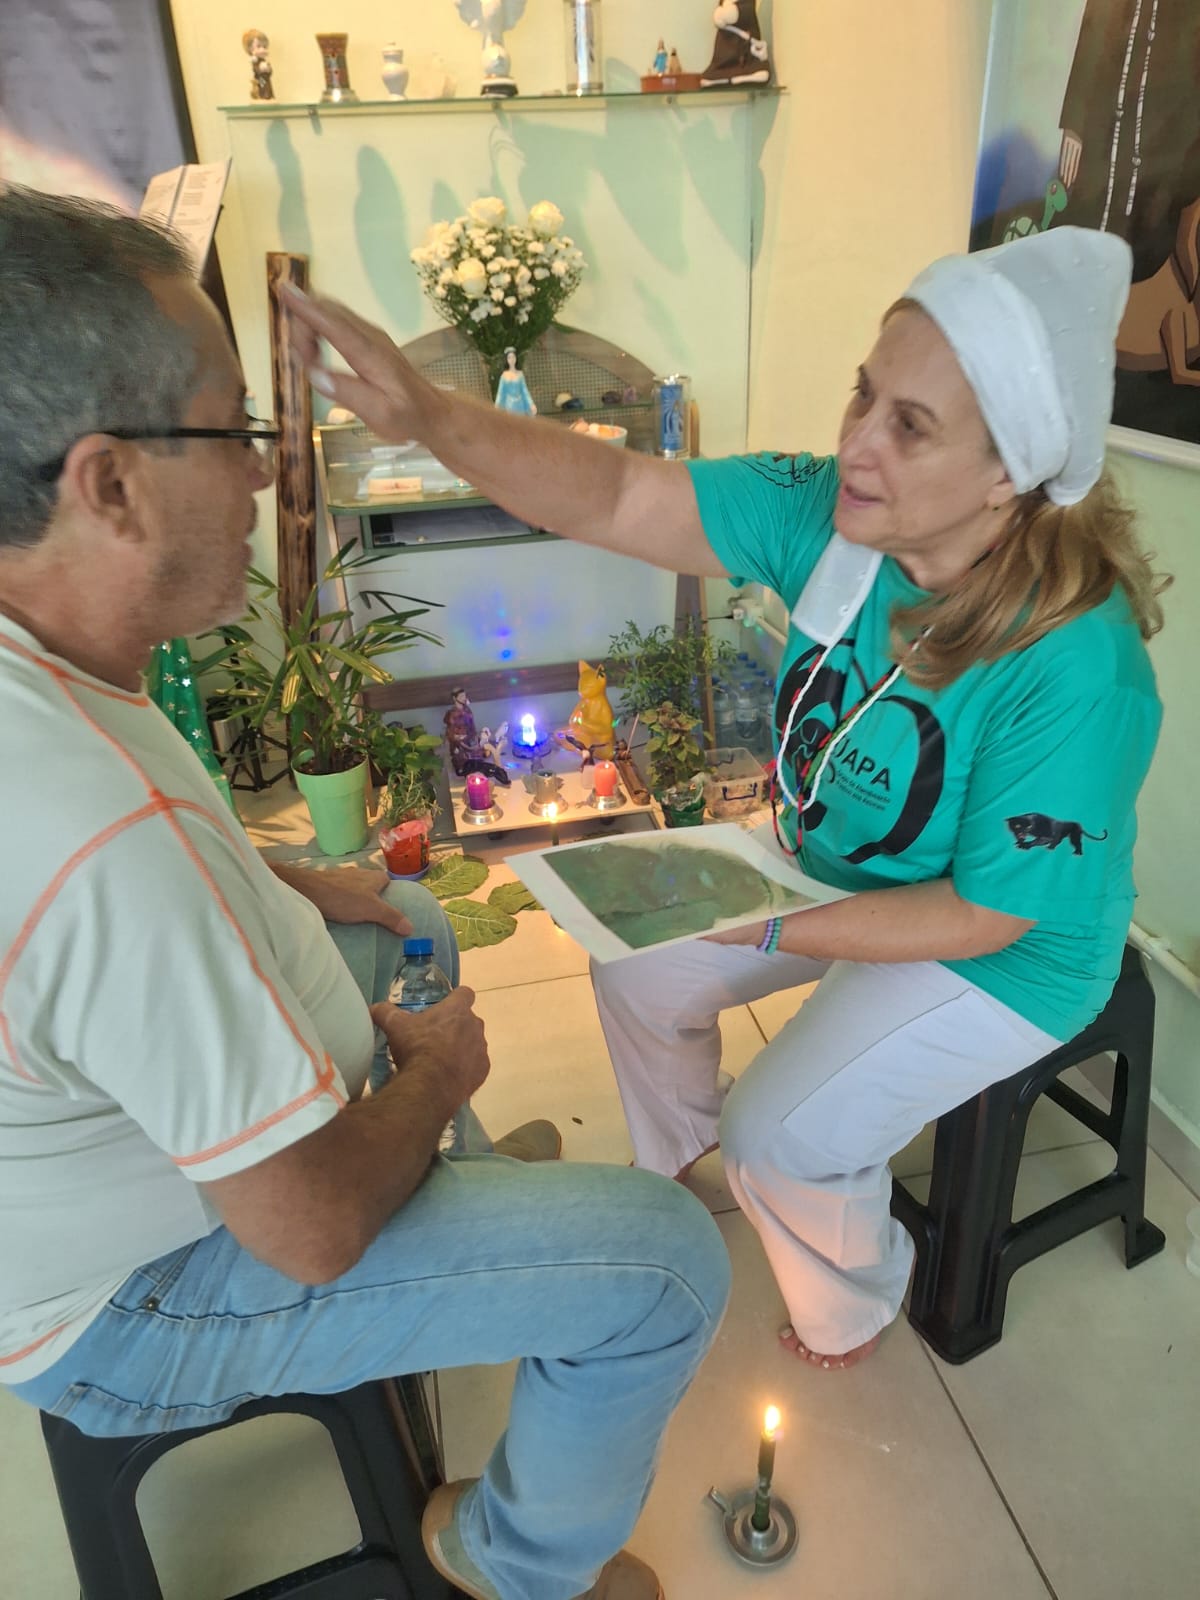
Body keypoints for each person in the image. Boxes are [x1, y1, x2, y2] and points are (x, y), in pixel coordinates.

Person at [0, 188, 732, 1600]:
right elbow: (310, 1229)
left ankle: (457, 1181)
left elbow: (94, 927)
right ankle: (514, 1567)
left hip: (117, 1154)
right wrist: (434, 1076)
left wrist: (280, 878)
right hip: (136, 1299)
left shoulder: (52, 663)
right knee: (665, 1263)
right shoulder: (99, 837)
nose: (266, 474)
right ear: (110, 484)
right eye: (234, 431)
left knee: (407, 916)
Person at [284, 223, 1166, 1374]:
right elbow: (615, 491)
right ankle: (684, 1156)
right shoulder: (837, 518)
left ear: (1013, 472)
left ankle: (851, 1301)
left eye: (911, 425)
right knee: (636, 963)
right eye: (864, 394)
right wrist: (433, 419)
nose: (857, 441)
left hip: (1005, 952)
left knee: (780, 1135)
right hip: (830, 855)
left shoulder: (1078, 666)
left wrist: (758, 919)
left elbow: (985, 914)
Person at [494, 346, 537, 416]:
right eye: (509, 357)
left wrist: (531, 404)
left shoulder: (520, 374)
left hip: (520, 405)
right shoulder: (504, 375)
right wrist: (497, 405)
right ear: (506, 360)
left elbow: (525, 391)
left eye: (513, 357)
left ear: (516, 358)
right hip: (508, 406)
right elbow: (500, 392)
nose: (512, 359)